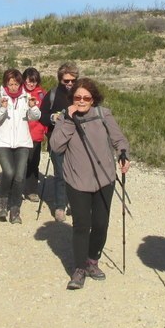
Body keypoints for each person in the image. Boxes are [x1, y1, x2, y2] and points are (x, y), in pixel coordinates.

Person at [49, 77, 130, 290]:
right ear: (72, 98)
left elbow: (119, 139)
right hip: (77, 180)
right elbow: (55, 147)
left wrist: (123, 154)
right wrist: (68, 120)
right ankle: (79, 269)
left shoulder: (103, 115)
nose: (82, 101)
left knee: (101, 224)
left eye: (86, 97)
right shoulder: (64, 119)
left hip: (105, 179)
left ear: (93, 99)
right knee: (82, 225)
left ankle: (92, 261)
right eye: (78, 97)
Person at [0, 68, 41, 224]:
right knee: (9, 172)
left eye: (16, 84)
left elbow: (34, 117)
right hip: (3, 142)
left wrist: (33, 107)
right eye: (10, 84)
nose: (13, 87)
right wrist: (2, 108)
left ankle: (15, 209)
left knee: (19, 176)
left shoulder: (26, 97)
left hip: (23, 142)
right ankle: (3, 203)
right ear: (5, 83)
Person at [39, 62, 79, 222]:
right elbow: (42, 115)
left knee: (77, 175)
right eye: (66, 81)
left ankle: (76, 205)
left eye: (73, 80)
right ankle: (60, 206)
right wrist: (52, 118)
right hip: (57, 141)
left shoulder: (81, 94)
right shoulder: (53, 94)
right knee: (61, 175)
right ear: (60, 80)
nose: (70, 84)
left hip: (78, 142)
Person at [22, 67, 47, 203]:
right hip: (20, 133)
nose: (31, 84)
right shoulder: (19, 92)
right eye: (29, 81)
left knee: (33, 163)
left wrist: (44, 130)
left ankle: (31, 190)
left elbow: (45, 112)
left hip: (35, 133)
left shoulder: (42, 94)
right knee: (18, 163)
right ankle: (15, 188)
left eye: (34, 81)